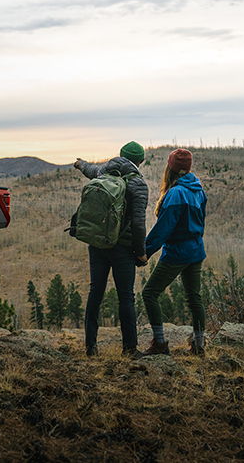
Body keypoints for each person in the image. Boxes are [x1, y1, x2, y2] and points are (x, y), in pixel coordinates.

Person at [74, 141, 149, 359]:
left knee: (95, 292)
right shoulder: (138, 184)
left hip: (97, 243)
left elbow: (89, 169)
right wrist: (141, 252)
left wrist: (79, 163)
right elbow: (138, 223)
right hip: (122, 248)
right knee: (126, 297)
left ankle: (90, 348)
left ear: (120, 155)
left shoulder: (103, 172)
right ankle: (130, 349)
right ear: (140, 161)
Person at [140, 148, 208, 356]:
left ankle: (160, 343)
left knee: (150, 293)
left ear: (170, 168)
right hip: (196, 251)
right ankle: (199, 345)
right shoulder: (198, 189)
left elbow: (164, 229)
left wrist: (145, 252)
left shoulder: (176, 193)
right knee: (193, 297)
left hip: (177, 253)